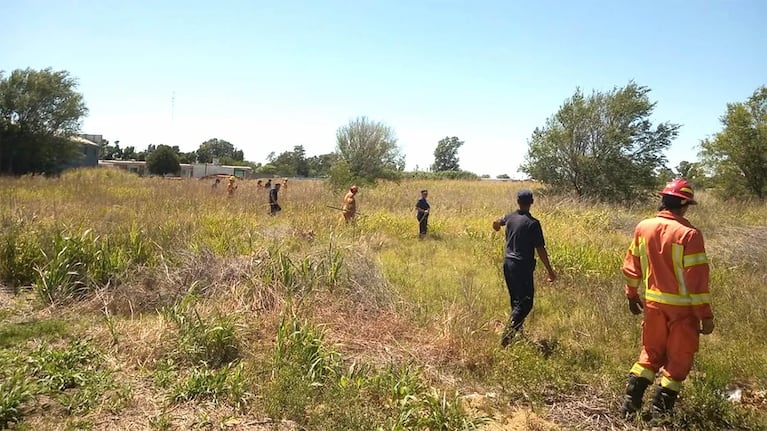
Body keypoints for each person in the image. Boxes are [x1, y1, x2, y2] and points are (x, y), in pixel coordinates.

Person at [620, 179, 714, 419]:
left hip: (653, 306)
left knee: (650, 353)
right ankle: (660, 415)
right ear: (684, 205)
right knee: (678, 359)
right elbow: (697, 282)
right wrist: (705, 315)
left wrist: (632, 294)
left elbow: (632, 266)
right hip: (683, 312)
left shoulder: (644, 227)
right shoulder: (689, 235)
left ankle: (631, 401)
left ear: (663, 201)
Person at [492, 189, 556, 347]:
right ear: (532, 202)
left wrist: (496, 225)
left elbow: (497, 222)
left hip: (508, 264)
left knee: (516, 301)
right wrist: (550, 270)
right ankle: (506, 339)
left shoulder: (509, 217)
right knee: (525, 303)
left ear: (517, 201)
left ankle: (516, 331)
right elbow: (540, 249)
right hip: (522, 266)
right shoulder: (533, 223)